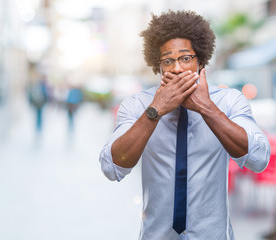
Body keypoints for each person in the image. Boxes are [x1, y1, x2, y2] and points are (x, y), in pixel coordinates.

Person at [99, 10, 270, 240]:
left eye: (185, 58)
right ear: (157, 66)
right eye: (168, 61)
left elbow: (259, 159)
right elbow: (111, 167)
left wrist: (206, 108)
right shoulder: (138, 105)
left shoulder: (228, 102)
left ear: (201, 61)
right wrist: (155, 111)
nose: (177, 68)